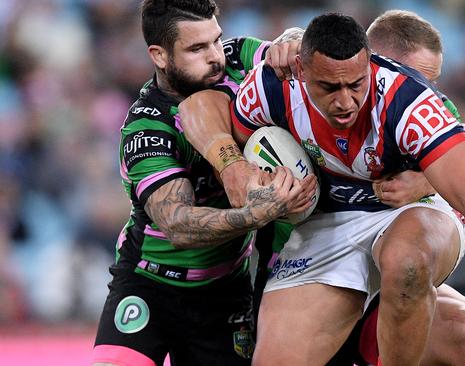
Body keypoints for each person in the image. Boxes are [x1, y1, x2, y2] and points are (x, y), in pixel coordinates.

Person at [233, 13, 465, 366]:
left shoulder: (411, 102)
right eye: (332, 88)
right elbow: (232, 147)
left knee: (418, 275)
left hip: (412, 219)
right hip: (326, 229)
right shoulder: (271, 85)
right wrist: (251, 180)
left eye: (356, 86)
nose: (346, 102)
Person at [91, 1, 316, 365]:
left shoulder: (240, 59)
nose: (215, 57)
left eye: (216, 40)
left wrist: (294, 39)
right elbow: (179, 224)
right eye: (197, 49)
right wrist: (254, 214)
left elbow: (296, 51)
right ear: (159, 55)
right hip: (150, 284)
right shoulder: (147, 128)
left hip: (224, 291)